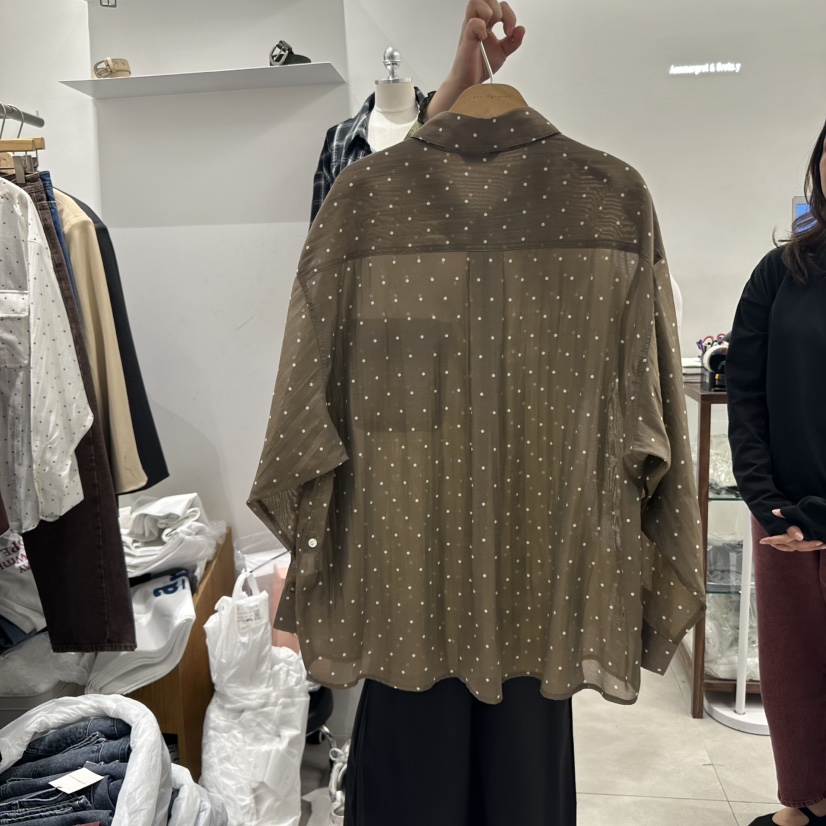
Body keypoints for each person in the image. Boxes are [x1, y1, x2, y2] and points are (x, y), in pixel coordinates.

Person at [727, 116, 826, 826]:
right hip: (787, 518)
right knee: (792, 676)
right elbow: (746, 392)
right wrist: (766, 501)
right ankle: (803, 803)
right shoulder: (781, 273)